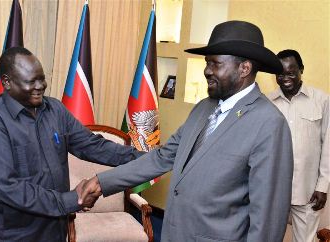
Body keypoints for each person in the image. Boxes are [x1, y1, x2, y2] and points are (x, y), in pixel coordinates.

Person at [79, 20, 294, 242]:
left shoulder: (269, 123)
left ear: (244, 68)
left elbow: (267, 220)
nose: (206, 71)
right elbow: (162, 158)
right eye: (207, 63)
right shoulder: (203, 108)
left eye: (215, 64)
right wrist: (102, 181)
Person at [0, 47, 143, 241]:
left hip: (53, 230)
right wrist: (71, 200)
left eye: (41, 78)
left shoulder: (55, 110)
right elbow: (8, 188)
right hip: (9, 234)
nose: (40, 86)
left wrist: (143, 158)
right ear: (7, 82)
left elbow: (92, 145)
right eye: (31, 81)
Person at [267, 49, 329, 242]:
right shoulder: (267, 103)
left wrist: (323, 186)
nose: (285, 78)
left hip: (308, 191)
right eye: (280, 74)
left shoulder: (322, 100)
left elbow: (329, 145)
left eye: (291, 72)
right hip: (273, 190)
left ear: (301, 70)